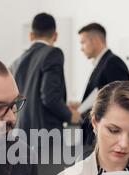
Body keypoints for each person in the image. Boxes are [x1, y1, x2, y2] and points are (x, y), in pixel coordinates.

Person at [10, 13, 81, 144]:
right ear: (55, 36)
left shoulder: (15, 63)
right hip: (46, 138)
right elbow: (50, 97)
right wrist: (71, 115)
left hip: (20, 137)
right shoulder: (53, 53)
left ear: (31, 36)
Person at [70, 23, 129, 147]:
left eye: (83, 42)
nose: (81, 48)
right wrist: (82, 106)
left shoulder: (113, 63)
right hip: (94, 133)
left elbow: (118, 102)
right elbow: (101, 96)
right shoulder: (102, 63)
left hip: (104, 137)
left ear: (96, 40)